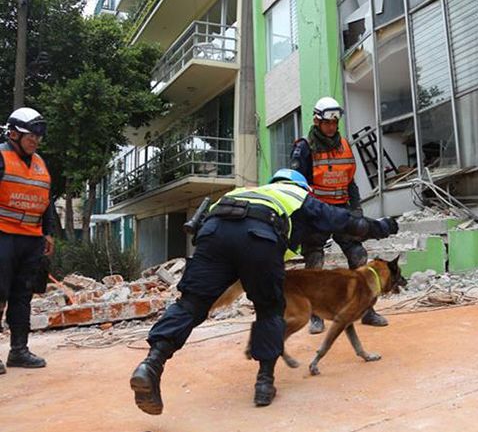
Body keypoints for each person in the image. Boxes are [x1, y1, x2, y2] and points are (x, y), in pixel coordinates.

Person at [129, 169, 399, 414]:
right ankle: (264, 383)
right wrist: (383, 227)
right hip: (260, 236)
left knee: (190, 304)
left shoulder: (244, 191)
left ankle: (151, 364)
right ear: (303, 187)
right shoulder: (297, 195)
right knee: (270, 309)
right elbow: (346, 222)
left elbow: (203, 229)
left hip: (214, 235)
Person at [290, 96, 387, 333]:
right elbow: (297, 186)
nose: (332, 127)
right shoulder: (304, 148)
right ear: (316, 121)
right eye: (327, 123)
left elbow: (350, 182)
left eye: (335, 123)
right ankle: (316, 314)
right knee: (315, 263)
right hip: (317, 212)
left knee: (359, 256)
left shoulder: (344, 145)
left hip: (342, 210)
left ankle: (367, 310)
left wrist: (356, 210)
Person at [0, 107, 55, 375]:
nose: (35, 140)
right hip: (3, 236)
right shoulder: (1, 157)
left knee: (23, 296)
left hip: (31, 239)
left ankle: (19, 351)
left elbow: (47, 202)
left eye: (38, 136)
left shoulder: (41, 164)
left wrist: (48, 233)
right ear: (13, 134)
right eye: (30, 135)